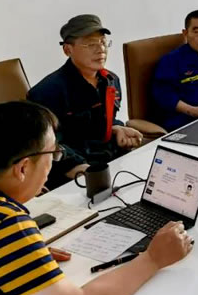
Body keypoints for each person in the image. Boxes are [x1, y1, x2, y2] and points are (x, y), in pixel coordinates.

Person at [0, 101, 192, 295]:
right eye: (53, 154)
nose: (55, 161)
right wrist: (152, 259)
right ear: (23, 168)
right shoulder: (4, 225)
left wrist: (22, 258)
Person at [28, 15, 143, 190]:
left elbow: (100, 121)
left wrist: (116, 128)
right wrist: (78, 167)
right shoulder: (46, 92)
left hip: (110, 160)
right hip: (72, 174)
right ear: (68, 50)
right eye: (90, 44)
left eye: (103, 42)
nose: (101, 49)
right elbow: (46, 145)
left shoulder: (111, 81)